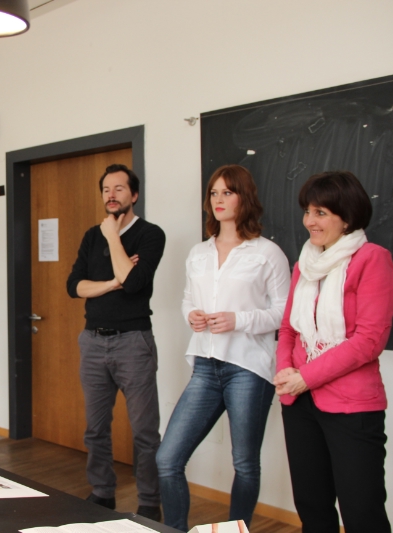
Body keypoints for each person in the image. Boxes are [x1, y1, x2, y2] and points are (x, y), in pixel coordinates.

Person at [155, 165, 290, 530]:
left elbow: (284, 312)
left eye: (227, 192)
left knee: (244, 463)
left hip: (248, 368)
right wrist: (191, 315)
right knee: (167, 460)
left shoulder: (267, 253)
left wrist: (238, 320)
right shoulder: (199, 252)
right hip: (205, 364)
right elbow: (187, 298)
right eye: (214, 193)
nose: (218, 200)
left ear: (245, 198)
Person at [274, 171, 393, 533]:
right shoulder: (305, 264)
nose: (309, 221)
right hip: (299, 403)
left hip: (351, 406)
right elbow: (289, 329)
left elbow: (369, 340)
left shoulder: (372, 259)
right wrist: (285, 373)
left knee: (362, 513)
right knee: (312, 508)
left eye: (321, 213)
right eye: (307, 211)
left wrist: (305, 377)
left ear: (347, 217)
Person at [66, 163, 166, 521]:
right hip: (93, 341)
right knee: (95, 429)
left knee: (144, 432)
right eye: (106, 189)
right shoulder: (90, 236)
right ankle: (102, 492)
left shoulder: (151, 234)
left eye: (119, 188)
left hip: (133, 343)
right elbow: (74, 286)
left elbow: (135, 282)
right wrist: (112, 283)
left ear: (134, 195)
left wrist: (113, 237)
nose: (111, 195)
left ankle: (150, 500)